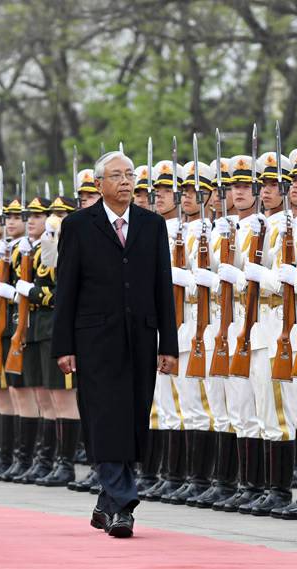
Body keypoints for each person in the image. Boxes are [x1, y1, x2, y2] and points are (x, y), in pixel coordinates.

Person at [52, 150, 179, 538]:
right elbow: (67, 289)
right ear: (99, 183)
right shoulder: (77, 226)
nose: (126, 182)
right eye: (117, 176)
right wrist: (64, 345)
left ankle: (107, 501)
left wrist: (168, 345)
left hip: (140, 335)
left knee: (133, 417)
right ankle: (123, 503)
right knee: (105, 418)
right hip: (94, 340)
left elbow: (162, 286)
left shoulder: (152, 225)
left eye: (130, 175)